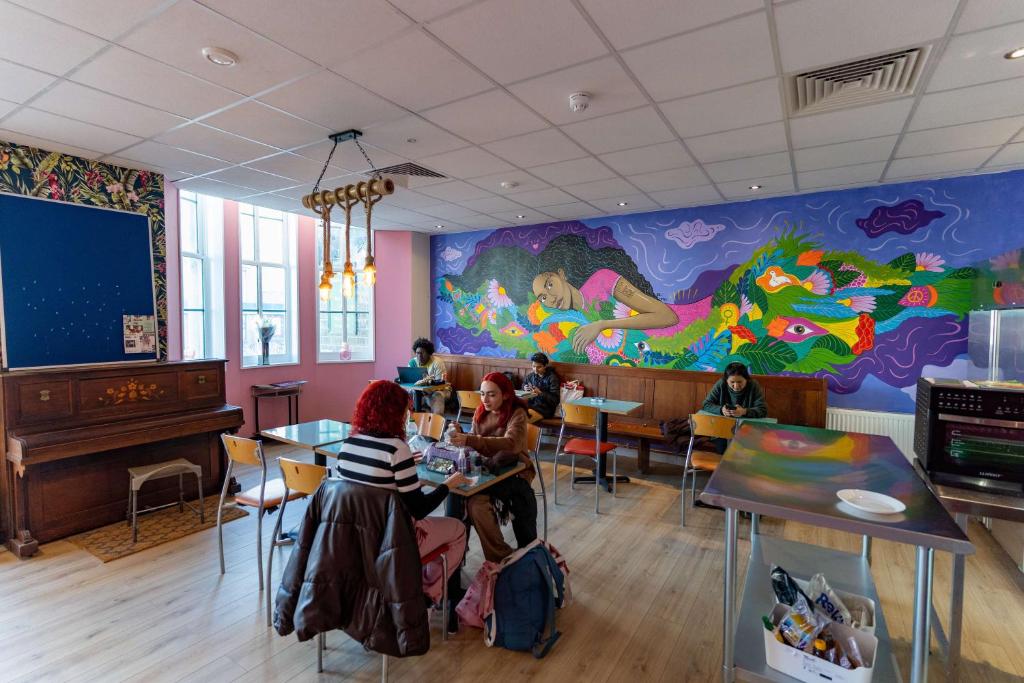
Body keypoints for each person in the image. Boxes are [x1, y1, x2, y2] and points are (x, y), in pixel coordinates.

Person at [334, 380, 468, 632]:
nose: (408, 415)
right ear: (394, 413)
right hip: (393, 543)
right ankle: (429, 596)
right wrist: (448, 485)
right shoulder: (396, 449)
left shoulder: (348, 445)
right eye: (405, 410)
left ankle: (410, 585)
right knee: (458, 529)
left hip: (353, 542)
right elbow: (419, 509)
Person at [446, 372, 538, 562]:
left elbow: (512, 444)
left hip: (515, 472)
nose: (485, 399)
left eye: (491, 394)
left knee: (469, 501)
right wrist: (462, 434)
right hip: (486, 471)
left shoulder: (517, 413)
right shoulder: (481, 412)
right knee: (463, 498)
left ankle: (497, 558)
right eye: (482, 393)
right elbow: (474, 442)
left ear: (505, 394)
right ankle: (495, 556)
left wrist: (470, 439)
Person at [701, 362, 768, 453]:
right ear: (726, 380)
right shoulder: (721, 384)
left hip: (747, 430)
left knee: (743, 452)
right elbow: (706, 404)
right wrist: (721, 410)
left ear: (746, 379)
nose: (736, 386)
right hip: (722, 428)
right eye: (732, 382)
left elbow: (763, 410)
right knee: (723, 450)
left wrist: (744, 411)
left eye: (740, 382)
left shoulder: (753, 385)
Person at [409, 337, 449, 414]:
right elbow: (409, 382)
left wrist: (426, 391)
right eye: (417, 353)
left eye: (422, 353)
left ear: (429, 353)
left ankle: (437, 423)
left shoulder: (437, 363)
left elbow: (440, 385)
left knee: (438, 396)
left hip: (440, 390)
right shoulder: (412, 363)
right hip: (419, 392)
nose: (419, 356)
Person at [522, 352, 560, 423]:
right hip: (531, 406)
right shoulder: (530, 376)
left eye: (539, 367)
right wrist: (524, 388)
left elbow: (555, 400)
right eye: (533, 366)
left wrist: (540, 393)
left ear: (545, 366)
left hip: (545, 410)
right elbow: (523, 385)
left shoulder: (552, 378)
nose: (535, 370)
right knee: (515, 415)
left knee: (522, 420)